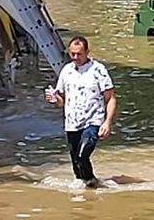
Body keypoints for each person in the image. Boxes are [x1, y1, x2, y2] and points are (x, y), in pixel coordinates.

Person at [45, 36, 118, 188]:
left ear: (87, 52)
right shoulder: (67, 70)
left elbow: (111, 98)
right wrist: (54, 100)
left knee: (82, 154)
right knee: (77, 166)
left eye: (79, 54)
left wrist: (107, 122)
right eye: (72, 54)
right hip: (72, 123)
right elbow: (62, 100)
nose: (76, 57)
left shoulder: (98, 70)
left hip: (93, 121)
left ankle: (92, 183)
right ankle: (86, 193)